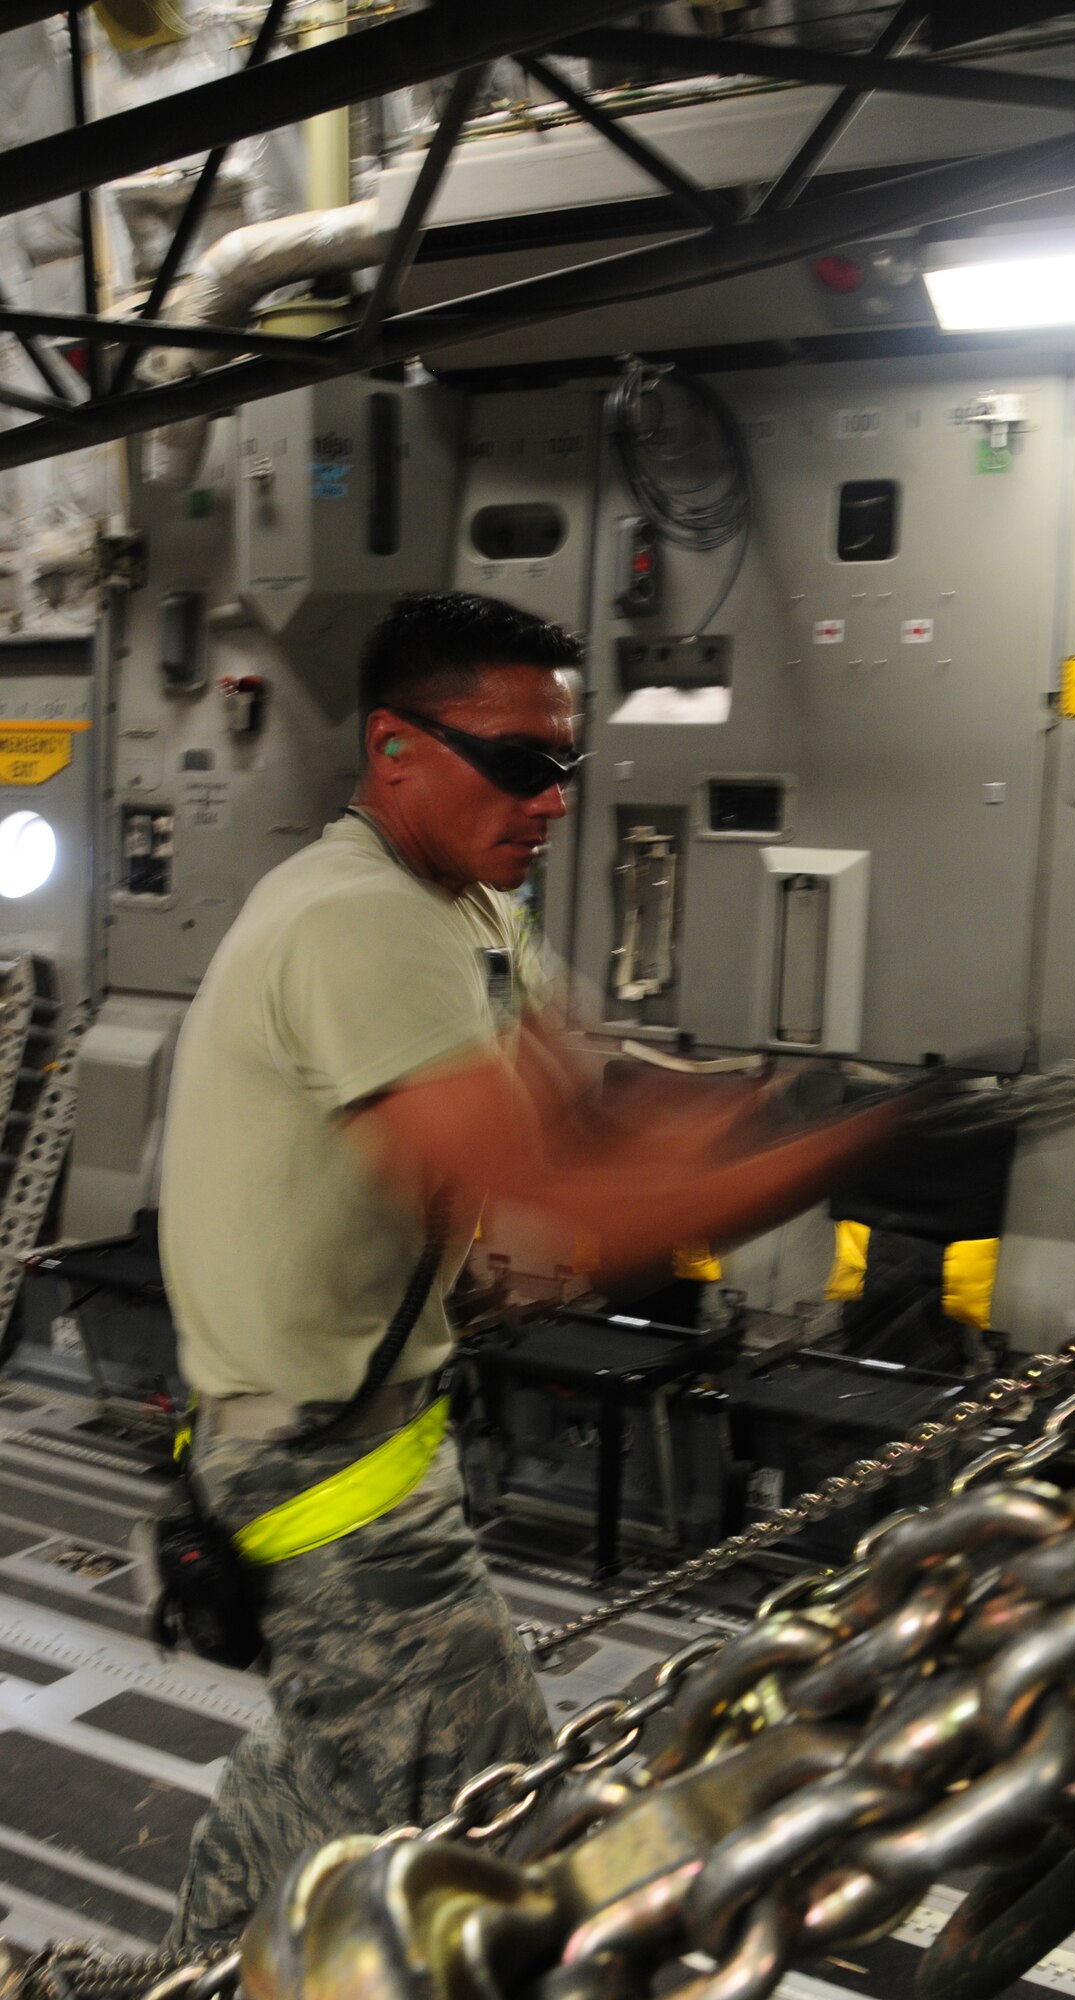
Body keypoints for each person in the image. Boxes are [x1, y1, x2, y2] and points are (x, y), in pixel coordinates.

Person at [159, 590, 910, 1951]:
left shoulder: (469, 911)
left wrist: (780, 1097)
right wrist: (848, 1151)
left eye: (566, 767)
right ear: (392, 749)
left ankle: (191, 1970)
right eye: (518, 764)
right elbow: (557, 1192)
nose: (553, 801)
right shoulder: (357, 922)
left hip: (375, 1441)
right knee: (494, 1825)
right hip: (320, 1473)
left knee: (331, 1777)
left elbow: (596, 1095)